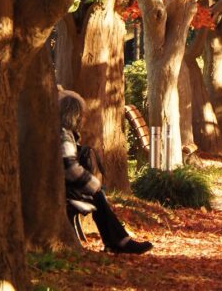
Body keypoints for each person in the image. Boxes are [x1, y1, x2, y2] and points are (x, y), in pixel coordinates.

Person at [59, 91, 152, 254]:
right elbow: (71, 169)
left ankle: (119, 241)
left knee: (98, 195)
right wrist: (93, 184)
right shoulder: (63, 135)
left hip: (62, 187)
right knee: (97, 194)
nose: (83, 119)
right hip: (62, 190)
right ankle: (119, 241)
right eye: (81, 114)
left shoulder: (61, 132)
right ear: (74, 115)